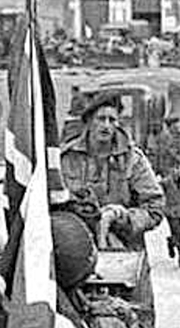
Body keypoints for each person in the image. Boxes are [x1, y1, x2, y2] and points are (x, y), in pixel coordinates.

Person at [60, 88, 164, 250]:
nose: (106, 125)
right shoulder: (66, 158)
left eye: (112, 120)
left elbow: (155, 208)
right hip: (74, 249)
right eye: (101, 119)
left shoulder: (133, 159)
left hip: (125, 250)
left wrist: (122, 217)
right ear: (88, 121)